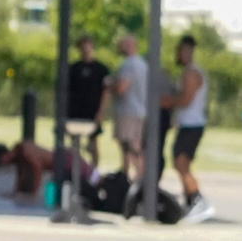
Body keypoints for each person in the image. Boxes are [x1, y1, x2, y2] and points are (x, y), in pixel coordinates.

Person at [158, 33, 213, 224]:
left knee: (181, 162)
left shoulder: (191, 73)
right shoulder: (189, 71)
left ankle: (198, 199)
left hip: (192, 124)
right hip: (187, 124)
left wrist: (165, 102)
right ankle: (190, 200)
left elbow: (185, 100)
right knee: (180, 162)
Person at [107, 31, 148, 189]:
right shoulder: (143, 65)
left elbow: (122, 88)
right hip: (139, 110)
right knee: (133, 143)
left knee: (129, 145)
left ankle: (131, 176)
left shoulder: (128, 65)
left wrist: (109, 85)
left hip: (127, 111)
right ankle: (134, 175)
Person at [64, 32, 109, 170]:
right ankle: (75, 169)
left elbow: (105, 91)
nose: (85, 49)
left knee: (93, 142)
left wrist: (101, 112)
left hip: (92, 110)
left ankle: (94, 170)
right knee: (73, 142)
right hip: (76, 110)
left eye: (87, 45)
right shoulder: (73, 69)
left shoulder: (101, 69)